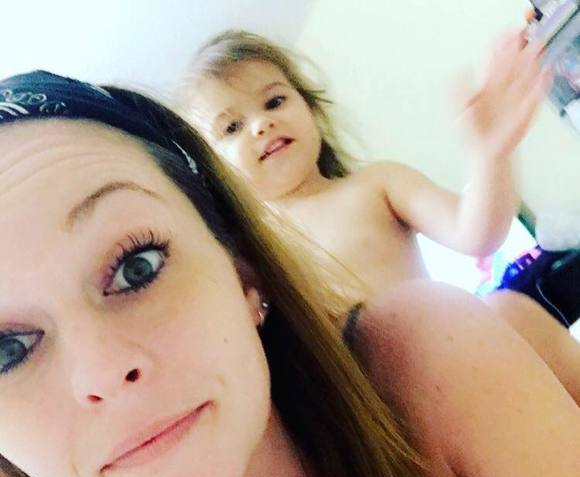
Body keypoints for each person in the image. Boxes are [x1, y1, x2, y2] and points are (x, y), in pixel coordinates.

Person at [0, 71, 578, 477]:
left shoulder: (425, 359)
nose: (102, 372)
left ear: (243, 273)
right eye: (5, 350)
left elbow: (474, 232)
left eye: (137, 266)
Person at [174, 30, 552, 298]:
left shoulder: (378, 185)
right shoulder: (248, 257)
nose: (261, 124)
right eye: (232, 127)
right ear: (214, 172)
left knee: (511, 309)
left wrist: (491, 154)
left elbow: (477, 234)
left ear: (311, 109)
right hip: (357, 393)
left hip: (445, 366)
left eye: (274, 102)